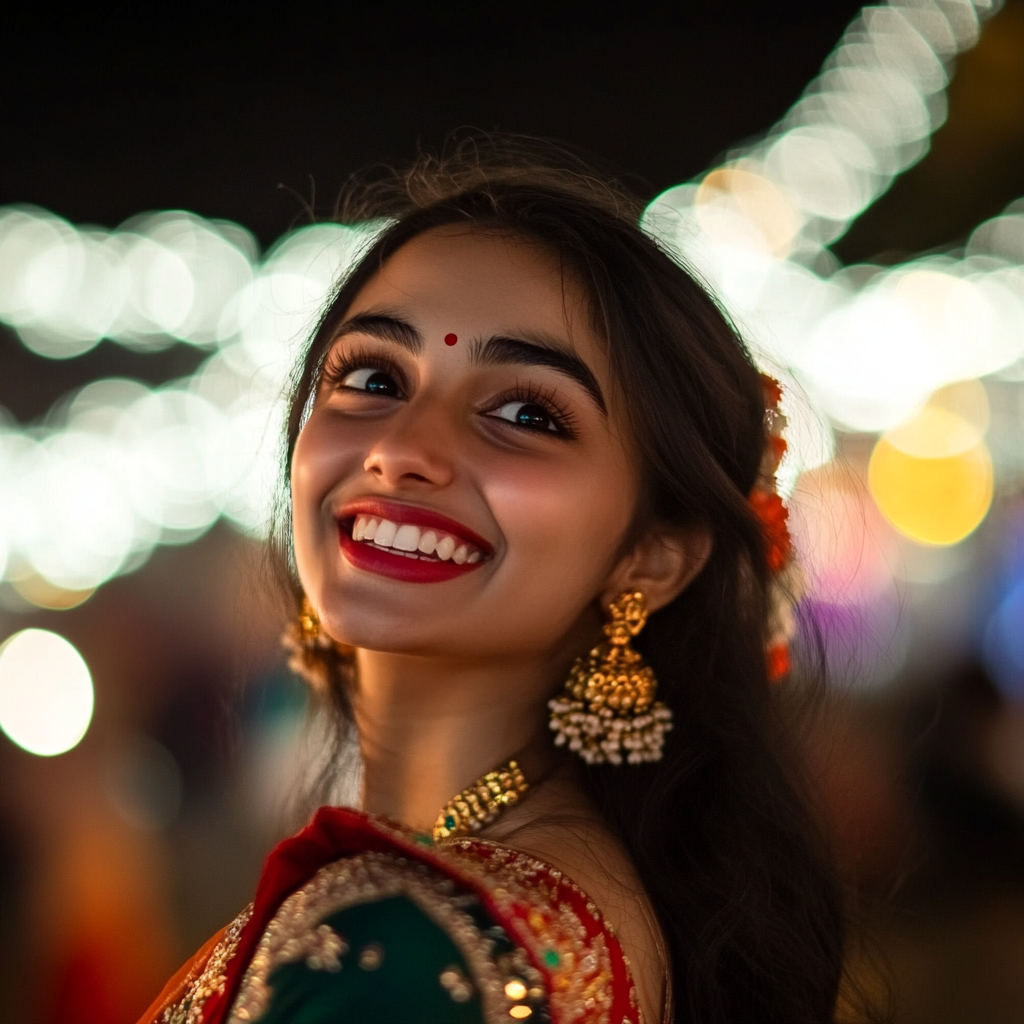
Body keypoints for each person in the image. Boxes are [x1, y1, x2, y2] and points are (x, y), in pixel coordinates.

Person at [140, 138, 844, 1024]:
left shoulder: (396, 951)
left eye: (525, 413)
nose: (402, 450)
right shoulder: (589, 891)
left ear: (653, 555)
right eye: (372, 376)